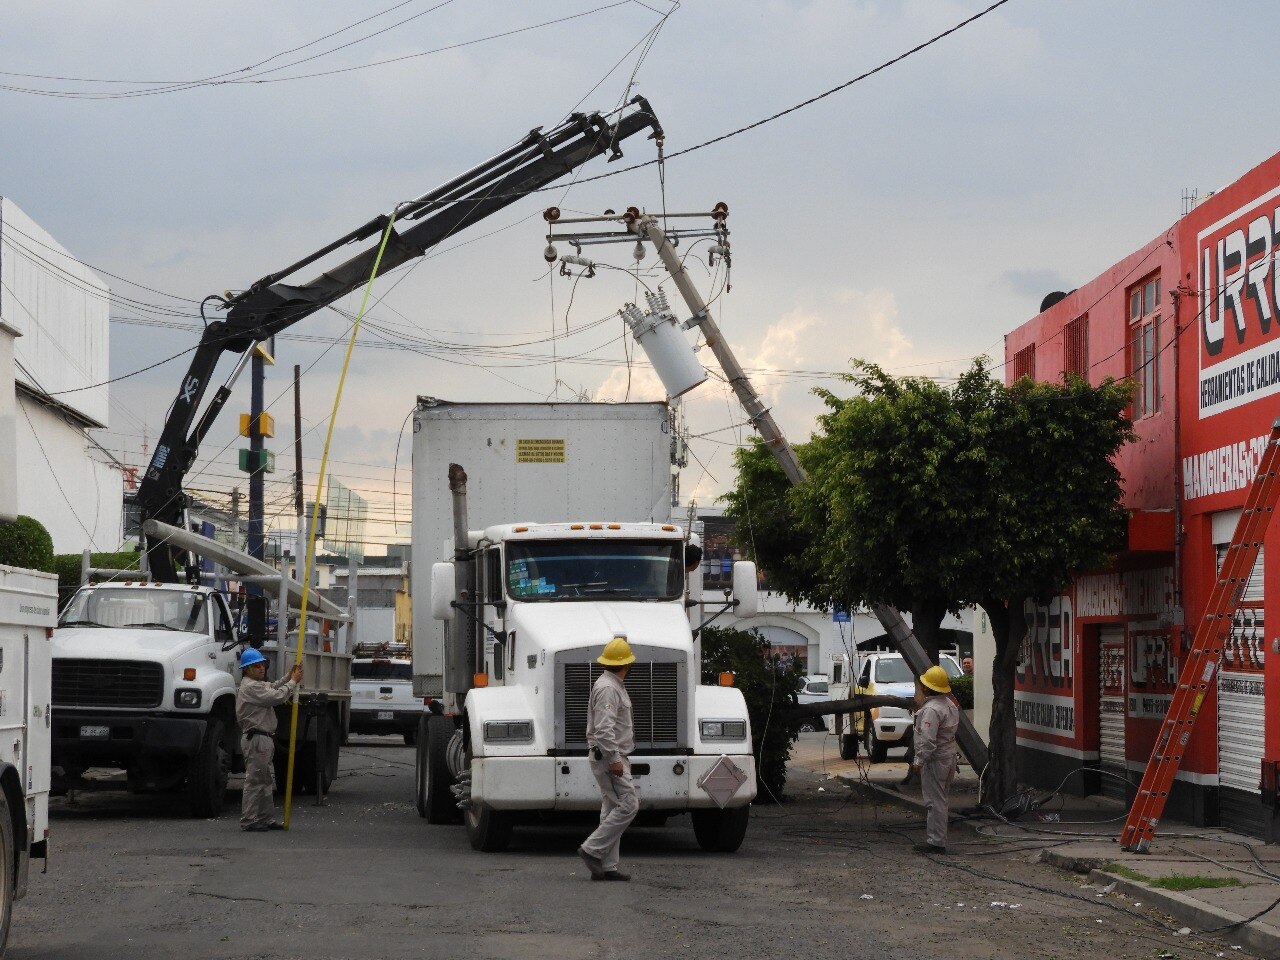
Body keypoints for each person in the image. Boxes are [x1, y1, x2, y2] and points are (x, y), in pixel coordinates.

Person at [578, 636, 639, 881]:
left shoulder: (611, 685)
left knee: (612, 808)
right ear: (627, 664)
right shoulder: (608, 689)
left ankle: (607, 867)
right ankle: (592, 850)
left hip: (609, 754)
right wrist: (614, 759)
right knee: (629, 804)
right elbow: (604, 729)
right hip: (609, 756)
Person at [236, 648, 303, 832]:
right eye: (256, 666)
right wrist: (293, 682)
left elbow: (272, 686)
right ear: (247, 669)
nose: (261, 668)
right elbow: (276, 696)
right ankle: (249, 820)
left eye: (263, 665)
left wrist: (288, 676)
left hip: (262, 737)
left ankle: (265, 819)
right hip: (257, 738)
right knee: (255, 780)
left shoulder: (256, 684)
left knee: (265, 781)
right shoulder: (251, 687)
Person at [911, 665, 960, 854]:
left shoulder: (931, 710)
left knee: (934, 801)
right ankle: (938, 839)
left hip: (935, 761)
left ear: (927, 687)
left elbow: (927, 740)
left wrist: (918, 762)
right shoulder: (949, 704)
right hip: (948, 757)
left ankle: (936, 842)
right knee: (941, 799)